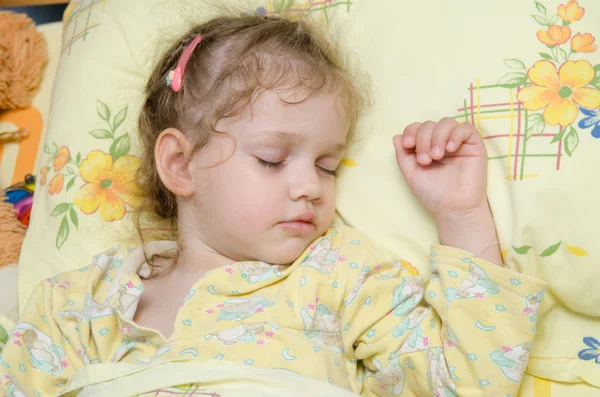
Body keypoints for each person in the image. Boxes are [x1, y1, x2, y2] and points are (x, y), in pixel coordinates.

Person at [0, 15, 546, 397]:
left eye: (327, 166)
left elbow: (469, 382)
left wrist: (461, 214)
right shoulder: (79, 303)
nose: (310, 186)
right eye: (271, 159)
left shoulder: (341, 274)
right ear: (181, 165)